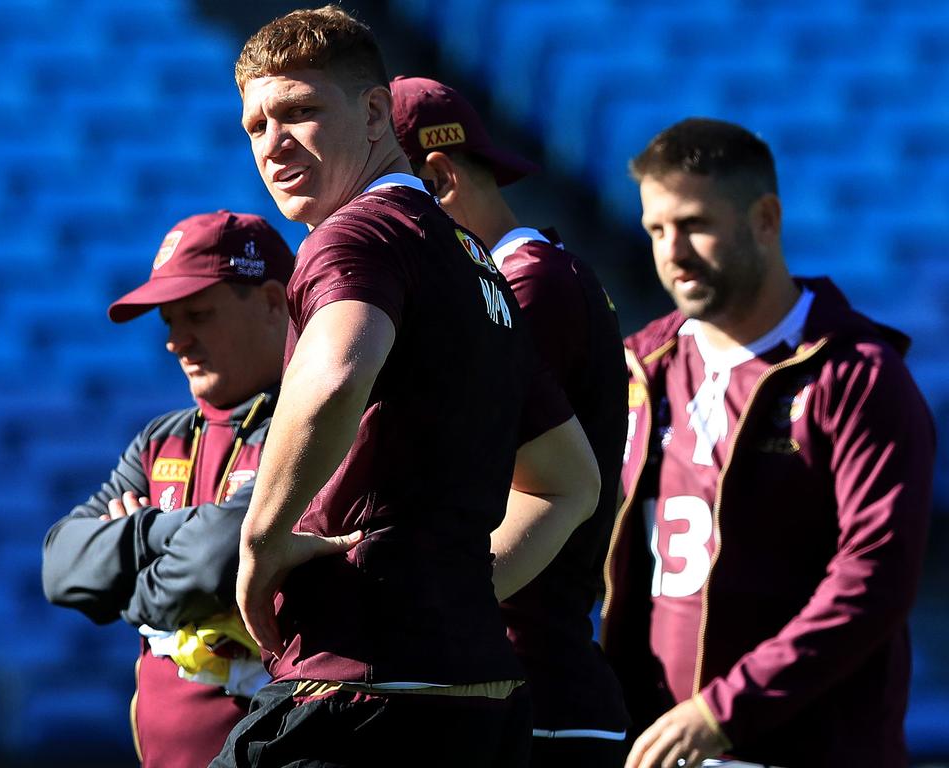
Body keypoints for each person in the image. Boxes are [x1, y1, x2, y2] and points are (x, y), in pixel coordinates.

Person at [212, 6, 601, 767]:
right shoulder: (473, 261)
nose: (273, 142)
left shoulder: (358, 234)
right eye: (255, 125)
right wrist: (463, 590)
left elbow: (336, 374)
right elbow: (569, 484)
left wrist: (259, 543)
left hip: (359, 692)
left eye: (299, 111)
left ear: (371, 110)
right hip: (475, 696)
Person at [599, 117, 935, 768]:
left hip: (812, 748)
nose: (673, 251)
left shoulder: (859, 377)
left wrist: (723, 712)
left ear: (765, 218)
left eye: (694, 223)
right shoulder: (642, 367)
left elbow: (876, 579)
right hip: (657, 746)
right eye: (656, 231)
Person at [389, 75, 631, 768]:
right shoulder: (532, 277)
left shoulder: (525, 289)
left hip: (526, 689)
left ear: (437, 180)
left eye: (383, 204)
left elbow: (453, 473)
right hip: (517, 678)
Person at [42, 210, 294, 768]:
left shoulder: (310, 426)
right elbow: (59, 567)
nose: (176, 343)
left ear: (275, 303)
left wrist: (134, 581)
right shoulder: (161, 440)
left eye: (198, 315)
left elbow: (218, 558)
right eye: (169, 322)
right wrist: (160, 530)